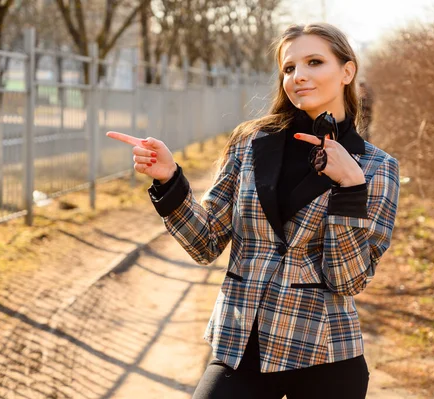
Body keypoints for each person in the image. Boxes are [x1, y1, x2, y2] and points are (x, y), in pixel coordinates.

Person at [107, 22, 399, 399]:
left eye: (314, 62)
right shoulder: (250, 141)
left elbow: (348, 280)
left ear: (347, 71)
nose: (299, 76)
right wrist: (169, 180)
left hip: (324, 356)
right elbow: (206, 242)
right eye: (290, 68)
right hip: (239, 344)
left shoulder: (376, 166)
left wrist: (350, 189)